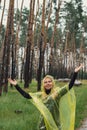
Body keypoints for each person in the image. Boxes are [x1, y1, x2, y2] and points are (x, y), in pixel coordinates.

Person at [8, 64, 83, 130]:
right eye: (45, 82)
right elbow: (27, 96)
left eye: (49, 81)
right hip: (43, 123)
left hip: (55, 122)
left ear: (52, 83)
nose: (48, 83)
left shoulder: (57, 93)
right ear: (43, 84)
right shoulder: (40, 95)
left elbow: (69, 86)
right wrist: (16, 85)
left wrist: (75, 73)